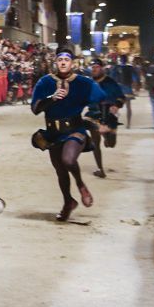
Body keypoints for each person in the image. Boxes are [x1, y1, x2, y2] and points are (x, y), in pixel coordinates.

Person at [30, 49, 108, 222]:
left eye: (67, 59)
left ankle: (81, 185)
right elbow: (35, 109)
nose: (63, 62)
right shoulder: (45, 82)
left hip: (75, 130)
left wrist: (97, 119)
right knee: (60, 171)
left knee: (68, 160)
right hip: (52, 133)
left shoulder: (83, 82)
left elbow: (101, 99)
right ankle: (68, 202)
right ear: (55, 62)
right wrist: (52, 98)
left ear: (72, 63)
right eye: (60, 59)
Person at [83, 58, 125, 179]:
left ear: (102, 68)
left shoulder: (111, 82)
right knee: (95, 143)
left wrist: (117, 105)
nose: (94, 69)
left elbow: (121, 96)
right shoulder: (89, 83)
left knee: (111, 144)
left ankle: (108, 137)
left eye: (97, 67)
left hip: (109, 115)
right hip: (94, 114)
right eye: (93, 67)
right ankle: (100, 169)